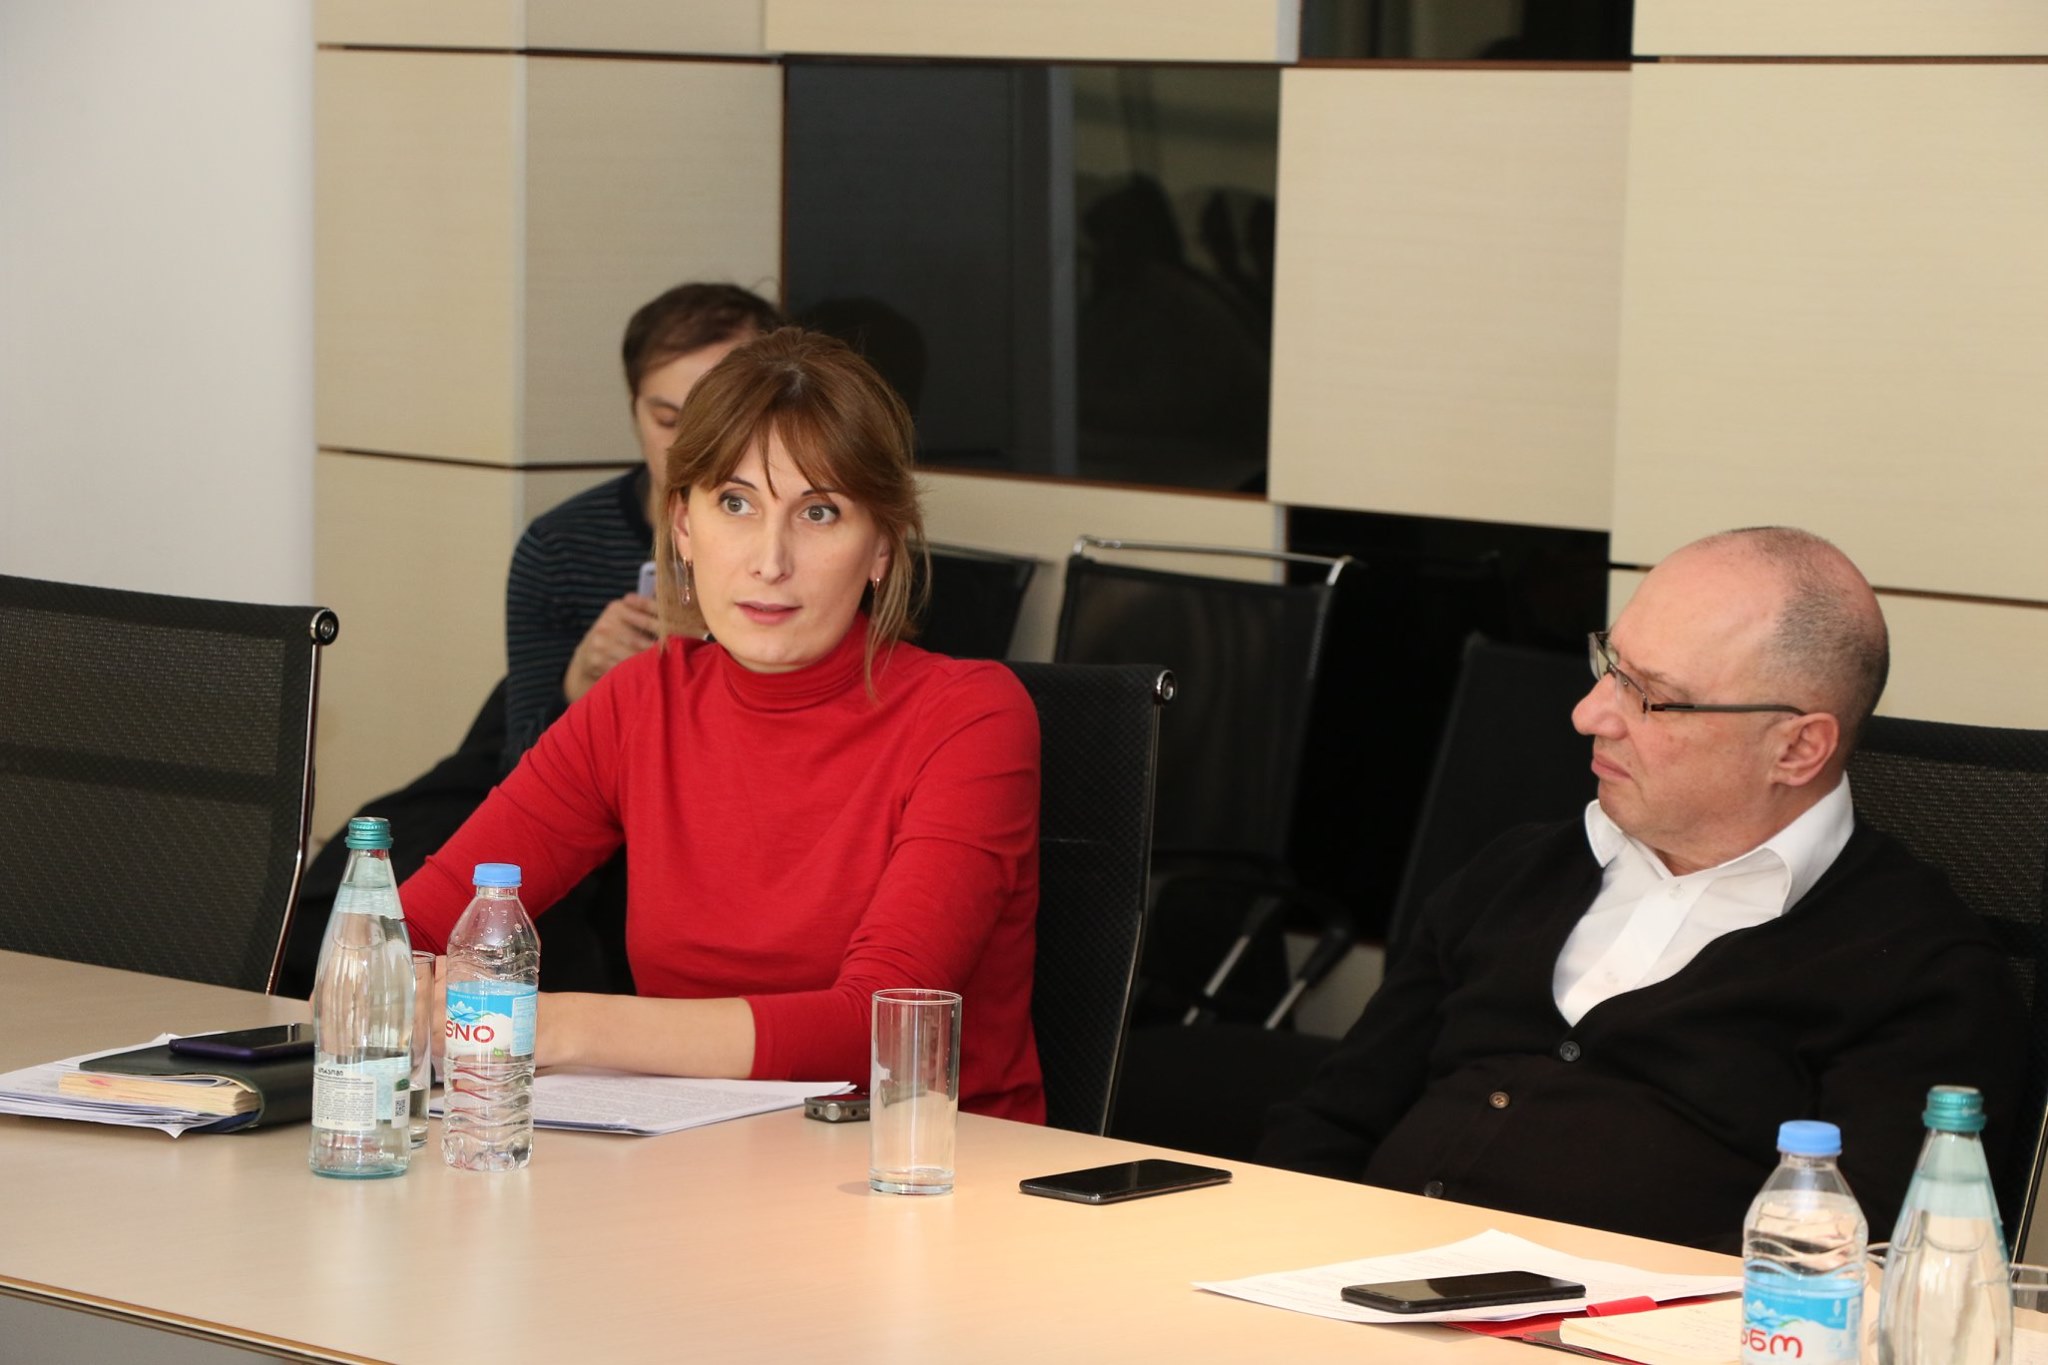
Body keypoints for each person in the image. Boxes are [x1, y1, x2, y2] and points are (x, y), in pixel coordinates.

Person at [1257, 527, 2024, 1250]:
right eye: (1609, 665)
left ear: (1797, 748)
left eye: (1649, 695)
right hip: (1340, 1291)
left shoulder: (1922, 975)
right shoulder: (1515, 871)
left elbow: (1850, 1267)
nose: (1589, 713)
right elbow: (1329, 1123)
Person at [402, 328, 1046, 1120]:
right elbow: (410, 928)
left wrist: (554, 1025)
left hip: (924, 1164)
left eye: (820, 512)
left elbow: (877, 1025)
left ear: (881, 545)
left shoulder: (972, 716)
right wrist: (388, 979)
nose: (770, 560)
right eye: (735, 504)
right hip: (693, 1151)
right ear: (683, 526)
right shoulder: (641, 699)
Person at [503, 282, 786, 767]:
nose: (690, 447)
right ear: (635, 411)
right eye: (668, 421)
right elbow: (518, 773)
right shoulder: (560, 548)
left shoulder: (798, 552)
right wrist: (580, 683)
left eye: (720, 419)